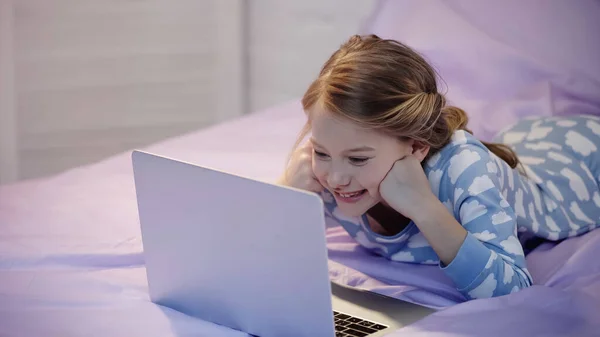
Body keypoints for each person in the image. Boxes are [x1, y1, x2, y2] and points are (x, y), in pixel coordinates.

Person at [277, 34, 600, 300]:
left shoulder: (467, 170)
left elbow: (510, 290)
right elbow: (255, 260)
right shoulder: (325, 166)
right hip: (526, 142)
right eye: (321, 151)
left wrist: (425, 208)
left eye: (358, 159)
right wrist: (287, 196)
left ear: (416, 147)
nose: (335, 178)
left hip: (576, 158)